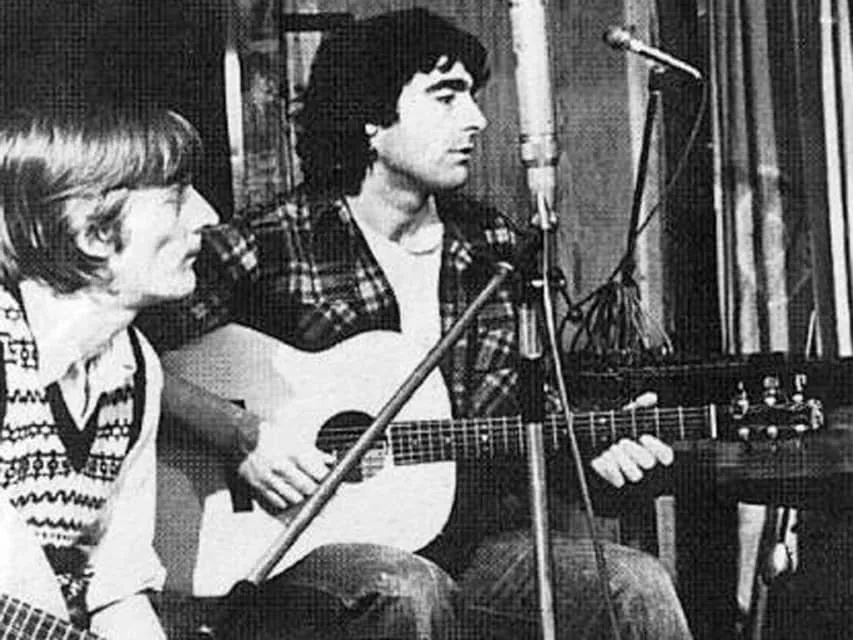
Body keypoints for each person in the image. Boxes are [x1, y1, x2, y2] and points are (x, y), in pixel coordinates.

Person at [147, 8, 690, 639]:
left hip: (467, 544)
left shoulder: (493, 246)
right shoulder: (272, 244)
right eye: (446, 96)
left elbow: (522, 421)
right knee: (404, 588)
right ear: (372, 119)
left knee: (632, 584)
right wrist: (241, 434)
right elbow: (123, 362)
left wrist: (594, 453)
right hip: (298, 556)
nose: (476, 119)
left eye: (473, 96)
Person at [0, 105, 219, 638]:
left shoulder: (136, 370)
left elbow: (115, 583)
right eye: (176, 198)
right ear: (92, 232)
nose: (208, 216)